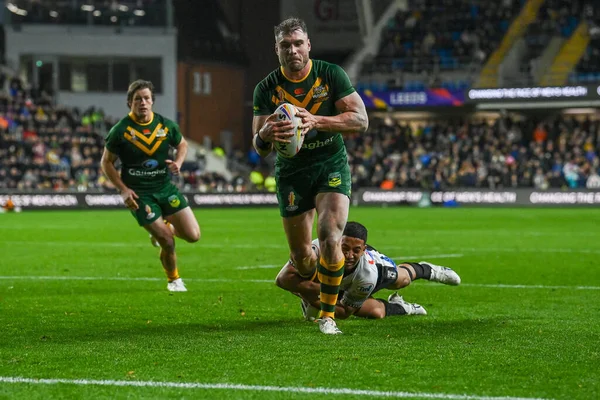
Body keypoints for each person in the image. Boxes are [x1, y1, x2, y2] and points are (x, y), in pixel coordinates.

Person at [252, 17, 369, 334]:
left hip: (330, 163)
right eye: (285, 45)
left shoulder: (330, 75)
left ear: (309, 45)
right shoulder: (266, 89)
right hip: (292, 173)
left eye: (298, 43)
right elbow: (259, 147)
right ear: (276, 49)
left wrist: (316, 121)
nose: (293, 50)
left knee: (331, 233)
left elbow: (360, 120)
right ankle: (313, 290)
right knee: (303, 259)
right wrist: (265, 133)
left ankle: (328, 317)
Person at [101, 80, 201, 292]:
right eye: (138, 99)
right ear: (130, 103)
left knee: (193, 235)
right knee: (167, 240)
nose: (143, 103)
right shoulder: (120, 131)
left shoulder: (166, 126)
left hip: (166, 189)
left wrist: (178, 163)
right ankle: (174, 280)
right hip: (140, 195)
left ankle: (161, 229)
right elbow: (106, 162)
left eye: (147, 98)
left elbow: (182, 144)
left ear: (152, 101)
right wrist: (123, 189)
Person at [275, 222, 461, 320]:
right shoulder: (318, 249)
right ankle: (404, 307)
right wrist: (315, 295)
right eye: (344, 248)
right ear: (336, 242)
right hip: (335, 285)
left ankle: (429, 270)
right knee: (376, 313)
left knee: (401, 280)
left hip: (364, 276)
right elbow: (282, 279)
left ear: (364, 250)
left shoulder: (369, 273)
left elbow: (344, 312)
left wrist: (307, 294)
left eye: (356, 251)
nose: (349, 255)